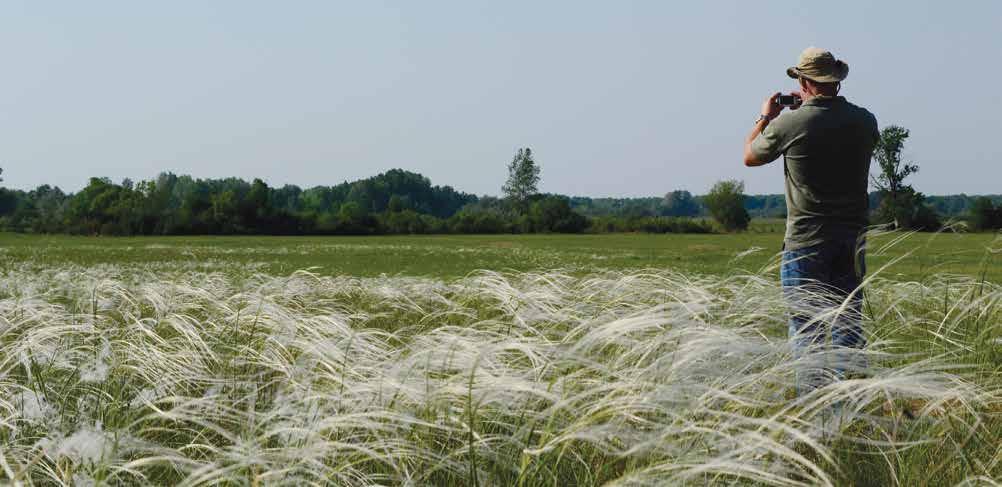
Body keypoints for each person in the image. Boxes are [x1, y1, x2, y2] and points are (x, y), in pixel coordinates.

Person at [742, 47, 879, 395]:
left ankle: (814, 412)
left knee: (808, 331)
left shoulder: (792, 122)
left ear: (803, 82)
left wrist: (765, 117)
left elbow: (749, 156)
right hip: (852, 240)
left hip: (806, 240)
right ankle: (853, 408)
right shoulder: (865, 120)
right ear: (836, 80)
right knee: (848, 326)